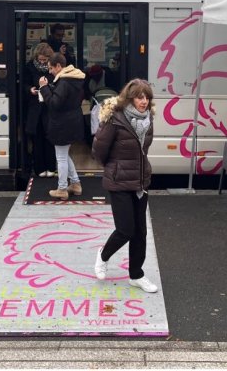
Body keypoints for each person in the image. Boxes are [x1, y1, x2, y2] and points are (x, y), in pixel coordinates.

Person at [91, 79, 158, 294]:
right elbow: (99, 150)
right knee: (125, 229)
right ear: (129, 98)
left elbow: (143, 151)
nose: (144, 101)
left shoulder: (148, 120)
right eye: (139, 97)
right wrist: (114, 167)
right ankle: (103, 255)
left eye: (147, 97)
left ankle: (136, 275)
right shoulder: (115, 119)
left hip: (140, 181)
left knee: (140, 232)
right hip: (119, 181)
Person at [38, 52, 85, 199]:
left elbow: (54, 104)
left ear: (58, 66)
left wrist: (44, 88)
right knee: (65, 155)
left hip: (62, 124)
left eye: (51, 68)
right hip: (72, 122)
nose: (50, 71)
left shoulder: (64, 82)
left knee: (61, 158)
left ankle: (62, 189)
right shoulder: (74, 79)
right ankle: (76, 184)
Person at [24, 42, 57, 178]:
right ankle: (39, 168)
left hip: (49, 106)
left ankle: (51, 167)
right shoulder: (30, 67)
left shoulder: (54, 68)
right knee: (37, 139)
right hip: (35, 107)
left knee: (50, 138)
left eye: (45, 60)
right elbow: (24, 83)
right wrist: (29, 89)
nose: (42, 62)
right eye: (40, 59)